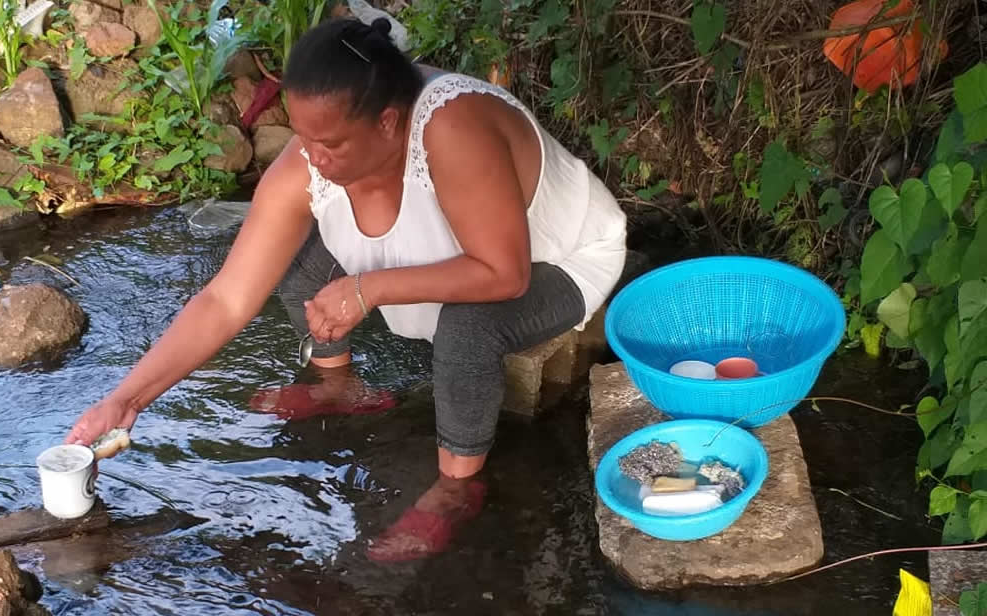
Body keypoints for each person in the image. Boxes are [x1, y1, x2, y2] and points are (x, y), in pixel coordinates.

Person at [65, 17, 627, 563]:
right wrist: (127, 398)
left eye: (329, 142)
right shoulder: (310, 158)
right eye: (302, 136)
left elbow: (504, 274)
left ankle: (457, 487)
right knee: (296, 259)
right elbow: (226, 298)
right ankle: (340, 389)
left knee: (468, 323)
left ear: (387, 123)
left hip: (554, 257)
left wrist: (368, 288)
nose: (312, 157)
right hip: (449, 258)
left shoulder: (454, 127)